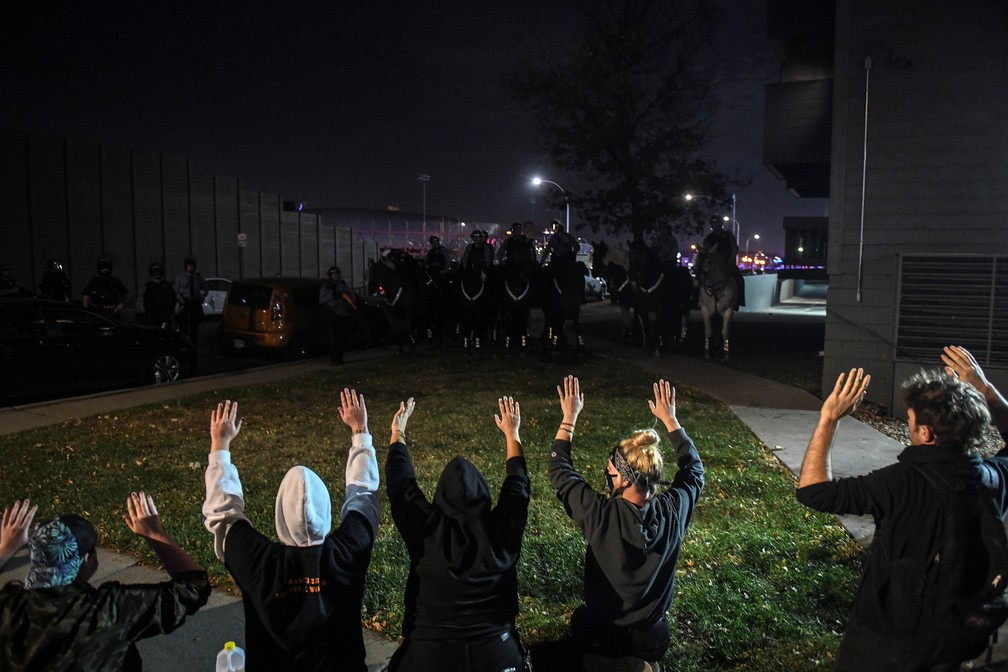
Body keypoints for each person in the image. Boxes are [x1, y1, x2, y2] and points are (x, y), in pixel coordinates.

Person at [796, 346, 1008, 671]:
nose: (907, 422)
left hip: (884, 644)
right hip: (952, 640)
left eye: (909, 418)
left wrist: (829, 419)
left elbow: (814, 491)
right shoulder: (993, 479)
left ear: (925, 432)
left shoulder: (898, 483)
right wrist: (986, 390)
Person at [202, 392, 380, 672]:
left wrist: (220, 446)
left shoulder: (260, 563)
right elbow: (364, 497)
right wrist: (360, 432)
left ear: (280, 513)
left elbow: (223, 514)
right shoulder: (348, 552)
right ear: (325, 508)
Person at [545, 375, 704, 672]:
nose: (607, 475)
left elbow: (559, 468)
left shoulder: (600, 513)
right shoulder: (674, 510)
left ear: (625, 479)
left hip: (602, 633)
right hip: (650, 637)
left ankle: (607, 663)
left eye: (610, 470)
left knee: (581, 627)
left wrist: (569, 418)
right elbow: (694, 472)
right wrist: (671, 421)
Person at [385, 395, 530, 672]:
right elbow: (518, 484)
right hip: (497, 653)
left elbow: (400, 485)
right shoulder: (502, 530)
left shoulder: (426, 531)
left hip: (430, 655)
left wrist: (397, 432)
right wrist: (512, 435)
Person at [0, 494, 211, 671]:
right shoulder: (109, 610)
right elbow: (192, 588)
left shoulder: (9, 608)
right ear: (86, 559)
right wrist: (154, 534)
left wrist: (5, 549)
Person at [319, 265, 358, 365]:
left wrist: (348, 300)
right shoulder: (326, 286)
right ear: (330, 276)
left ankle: (340, 359)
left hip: (342, 313)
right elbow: (321, 300)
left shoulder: (343, 284)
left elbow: (353, 297)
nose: (335, 276)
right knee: (333, 338)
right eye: (333, 274)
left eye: (337, 274)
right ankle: (334, 359)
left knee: (341, 338)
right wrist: (332, 295)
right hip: (331, 314)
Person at [701, 221, 745, 308]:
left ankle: (739, 299)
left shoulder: (728, 235)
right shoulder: (709, 237)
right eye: (713, 224)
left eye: (717, 223)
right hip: (713, 262)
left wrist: (731, 259)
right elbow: (706, 249)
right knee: (700, 276)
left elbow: (734, 248)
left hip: (727, 261)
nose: (715, 225)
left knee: (739, 277)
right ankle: (696, 299)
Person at [173, 256, 208, 347]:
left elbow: (206, 288)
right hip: (184, 302)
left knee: (194, 324)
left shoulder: (198, 278)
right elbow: (176, 291)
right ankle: (184, 341)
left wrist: (202, 296)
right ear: (186, 267)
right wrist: (180, 299)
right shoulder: (180, 278)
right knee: (183, 324)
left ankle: (193, 342)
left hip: (195, 302)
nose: (190, 267)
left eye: (192, 266)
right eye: (189, 266)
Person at [141, 261, 177, 329]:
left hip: (166, 316)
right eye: (155, 272)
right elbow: (145, 302)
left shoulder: (167, 285)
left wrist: (170, 310)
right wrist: (149, 313)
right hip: (154, 317)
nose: (157, 273)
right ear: (152, 273)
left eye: (159, 271)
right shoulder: (148, 286)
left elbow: (173, 298)